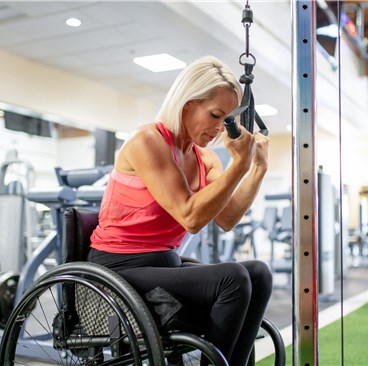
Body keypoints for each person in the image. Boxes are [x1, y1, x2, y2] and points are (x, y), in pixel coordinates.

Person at [88, 55, 272, 365]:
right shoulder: (147, 141)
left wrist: (258, 167)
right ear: (187, 104)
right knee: (233, 278)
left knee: (258, 274)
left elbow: (227, 218)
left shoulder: (203, 158)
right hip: (118, 269)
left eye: (227, 119)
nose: (220, 128)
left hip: (164, 264)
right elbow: (191, 216)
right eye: (215, 115)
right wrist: (239, 164)